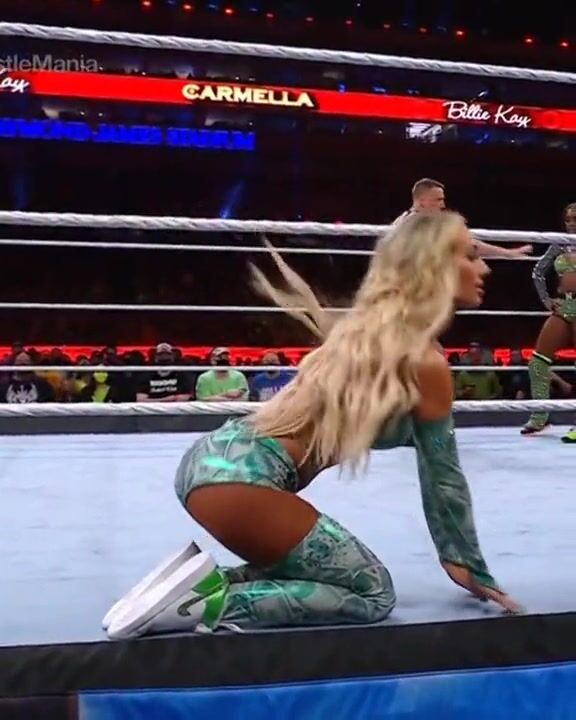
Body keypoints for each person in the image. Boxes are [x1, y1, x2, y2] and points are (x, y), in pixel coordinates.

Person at [104, 212, 521, 640]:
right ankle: (203, 604)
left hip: (216, 458)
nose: (485, 268)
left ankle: (190, 585)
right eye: (471, 255)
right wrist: (466, 562)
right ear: (434, 264)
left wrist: (458, 557)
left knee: (316, 571)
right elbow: (443, 476)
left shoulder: (368, 332)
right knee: (372, 592)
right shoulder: (424, 361)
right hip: (242, 480)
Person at [522, 202, 576, 440]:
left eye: (575, 220)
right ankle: (540, 416)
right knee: (538, 362)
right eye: (568, 220)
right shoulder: (559, 243)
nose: (571, 224)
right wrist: (545, 299)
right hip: (564, 305)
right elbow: (538, 271)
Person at [393, 178, 532, 260]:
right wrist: (510, 254)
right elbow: (469, 245)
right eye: (438, 200)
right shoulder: (411, 223)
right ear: (422, 201)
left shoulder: (410, 220)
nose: (443, 205)